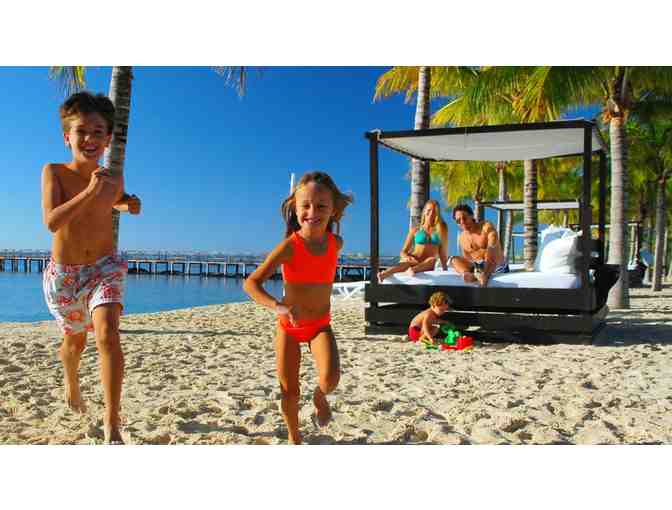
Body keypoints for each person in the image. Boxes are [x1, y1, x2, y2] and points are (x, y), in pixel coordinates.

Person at [41, 91, 142, 444]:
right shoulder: (54, 172)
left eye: (98, 132)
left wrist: (129, 203)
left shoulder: (112, 177)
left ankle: (112, 420)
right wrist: (88, 191)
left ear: (108, 139)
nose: (90, 138)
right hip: (66, 276)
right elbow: (52, 222)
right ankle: (71, 380)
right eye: (81, 131)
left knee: (108, 334)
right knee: (75, 344)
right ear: (66, 137)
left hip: (105, 267)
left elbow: (113, 201)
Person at [243, 171, 353, 445]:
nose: (312, 212)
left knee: (330, 379)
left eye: (321, 206)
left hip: (320, 326)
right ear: (295, 207)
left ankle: (319, 397)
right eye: (306, 205)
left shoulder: (336, 244)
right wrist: (278, 306)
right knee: (289, 391)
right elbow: (251, 283)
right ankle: (295, 439)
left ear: (333, 210)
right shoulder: (289, 247)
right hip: (289, 328)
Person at [378, 199, 448, 282]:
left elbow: (442, 252)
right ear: (424, 211)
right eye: (429, 210)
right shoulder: (415, 230)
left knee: (432, 260)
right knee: (407, 263)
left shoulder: (440, 230)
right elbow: (403, 252)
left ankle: (413, 270)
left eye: (434, 211)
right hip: (414, 259)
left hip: (427, 264)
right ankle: (384, 274)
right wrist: (407, 257)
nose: (431, 213)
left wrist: (445, 269)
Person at [450, 203, 508, 287]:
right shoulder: (462, 238)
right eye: (458, 221)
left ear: (471, 216)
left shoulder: (485, 226)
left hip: (496, 266)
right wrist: (469, 269)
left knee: (491, 247)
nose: (462, 222)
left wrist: (484, 271)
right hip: (478, 267)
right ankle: (469, 275)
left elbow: (493, 241)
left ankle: (484, 277)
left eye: (464, 218)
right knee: (453, 260)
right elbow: (467, 258)